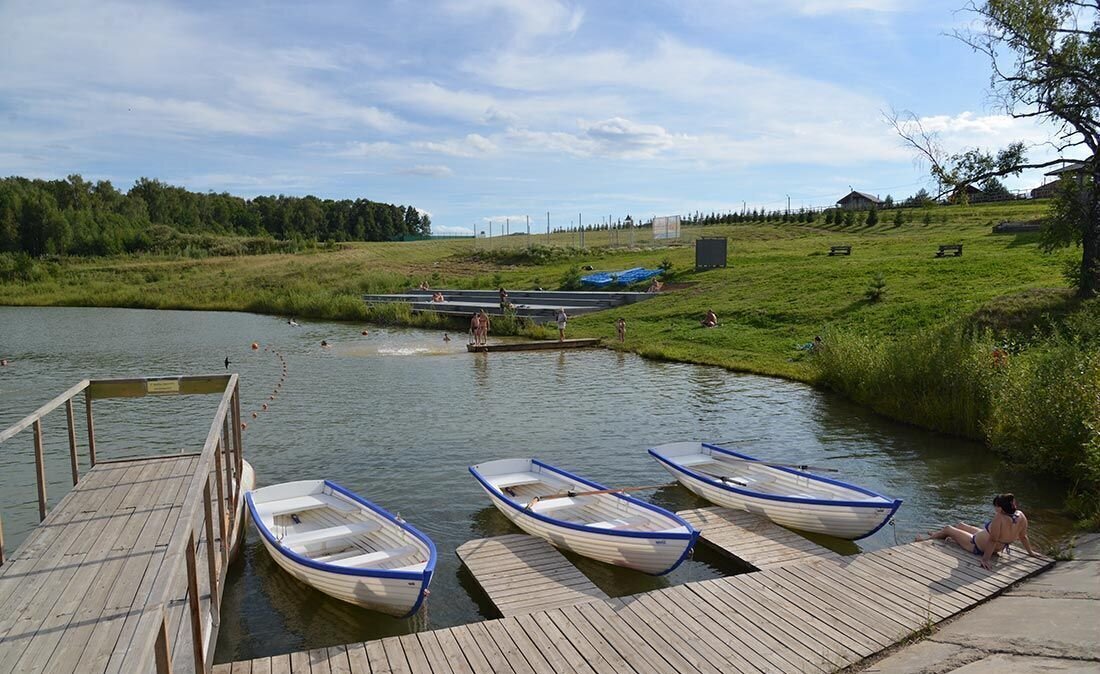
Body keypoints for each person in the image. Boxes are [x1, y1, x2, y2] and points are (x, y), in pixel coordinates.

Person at [917, 493, 1038, 570]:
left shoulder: (999, 518)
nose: (994, 509)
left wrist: (985, 559)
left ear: (1000, 508)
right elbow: (1023, 536)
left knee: (948, 528)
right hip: (991, 541)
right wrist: (1030, 552)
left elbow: (993, 540)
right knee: (961, 525)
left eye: (995, 506)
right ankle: (938, 535)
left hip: (976, 545)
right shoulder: (1020, 515)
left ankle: (928, 539)